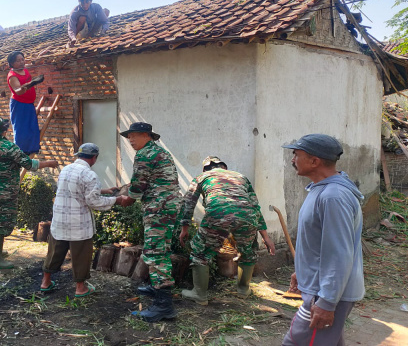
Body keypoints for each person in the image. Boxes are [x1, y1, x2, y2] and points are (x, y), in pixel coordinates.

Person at [281, 134, 365, 346]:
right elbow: (319, 242)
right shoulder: (322, 189)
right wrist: (302, 272)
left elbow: (338, 253)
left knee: (295, 343)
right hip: (323, 288)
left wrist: (327, 303)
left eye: (296, 154)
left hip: (326, 294)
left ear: (314, 161)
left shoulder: (333, 196)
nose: (292, 160)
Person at [179, 156, 276, 305]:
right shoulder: (241, 177)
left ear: (205, 169)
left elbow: (188, 203)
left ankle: (200, 294)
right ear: (224, 167)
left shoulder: (201, 177)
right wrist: (266, 236)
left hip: (218, 214)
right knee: (248, 252)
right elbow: (255, 207)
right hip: (247, 215)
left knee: (200, 253)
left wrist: (184, 228)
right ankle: (243, 290)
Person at [40, 143, 131, 297]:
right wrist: (117, 199)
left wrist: (103, 191)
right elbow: (93, 202)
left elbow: (73, 189)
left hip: (60, 220)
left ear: (78, 155)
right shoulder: (90, 175)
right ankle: (80, 288)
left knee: (54, 252)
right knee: (81, 255)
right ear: (94, 158)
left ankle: (45, 282)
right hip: (78, 224)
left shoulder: (66, 170)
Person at [120, 122, 181, 322]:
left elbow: (138, 186)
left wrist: (126, 199)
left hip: (158, 209)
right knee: (160, 248)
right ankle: (157, 288)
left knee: (156, 253)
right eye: (128, 136)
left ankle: (164, 306)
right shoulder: (159, 151)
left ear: (146, 135)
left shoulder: (145, 154)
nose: (130, 140)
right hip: (167, 207)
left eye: (133, 136)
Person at [0, 116, 58, 269]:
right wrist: (50, 163)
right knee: (2, 222)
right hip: (5, 190)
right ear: (5, 129)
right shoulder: (8, 147)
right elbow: (29, 164)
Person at [6, 51, 43, 155]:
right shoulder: (12, 75)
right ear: (12, 63)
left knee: (32, 127)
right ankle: (21, 151)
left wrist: (43, 54)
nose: (21, 62)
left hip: (29, 103)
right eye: (18, 61)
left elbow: (34, 62)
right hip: (19, 104)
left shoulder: (24, 69)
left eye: (22, 59)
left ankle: (33, 148)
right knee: (21, 128)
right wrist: (32, 83)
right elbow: (19, 91)